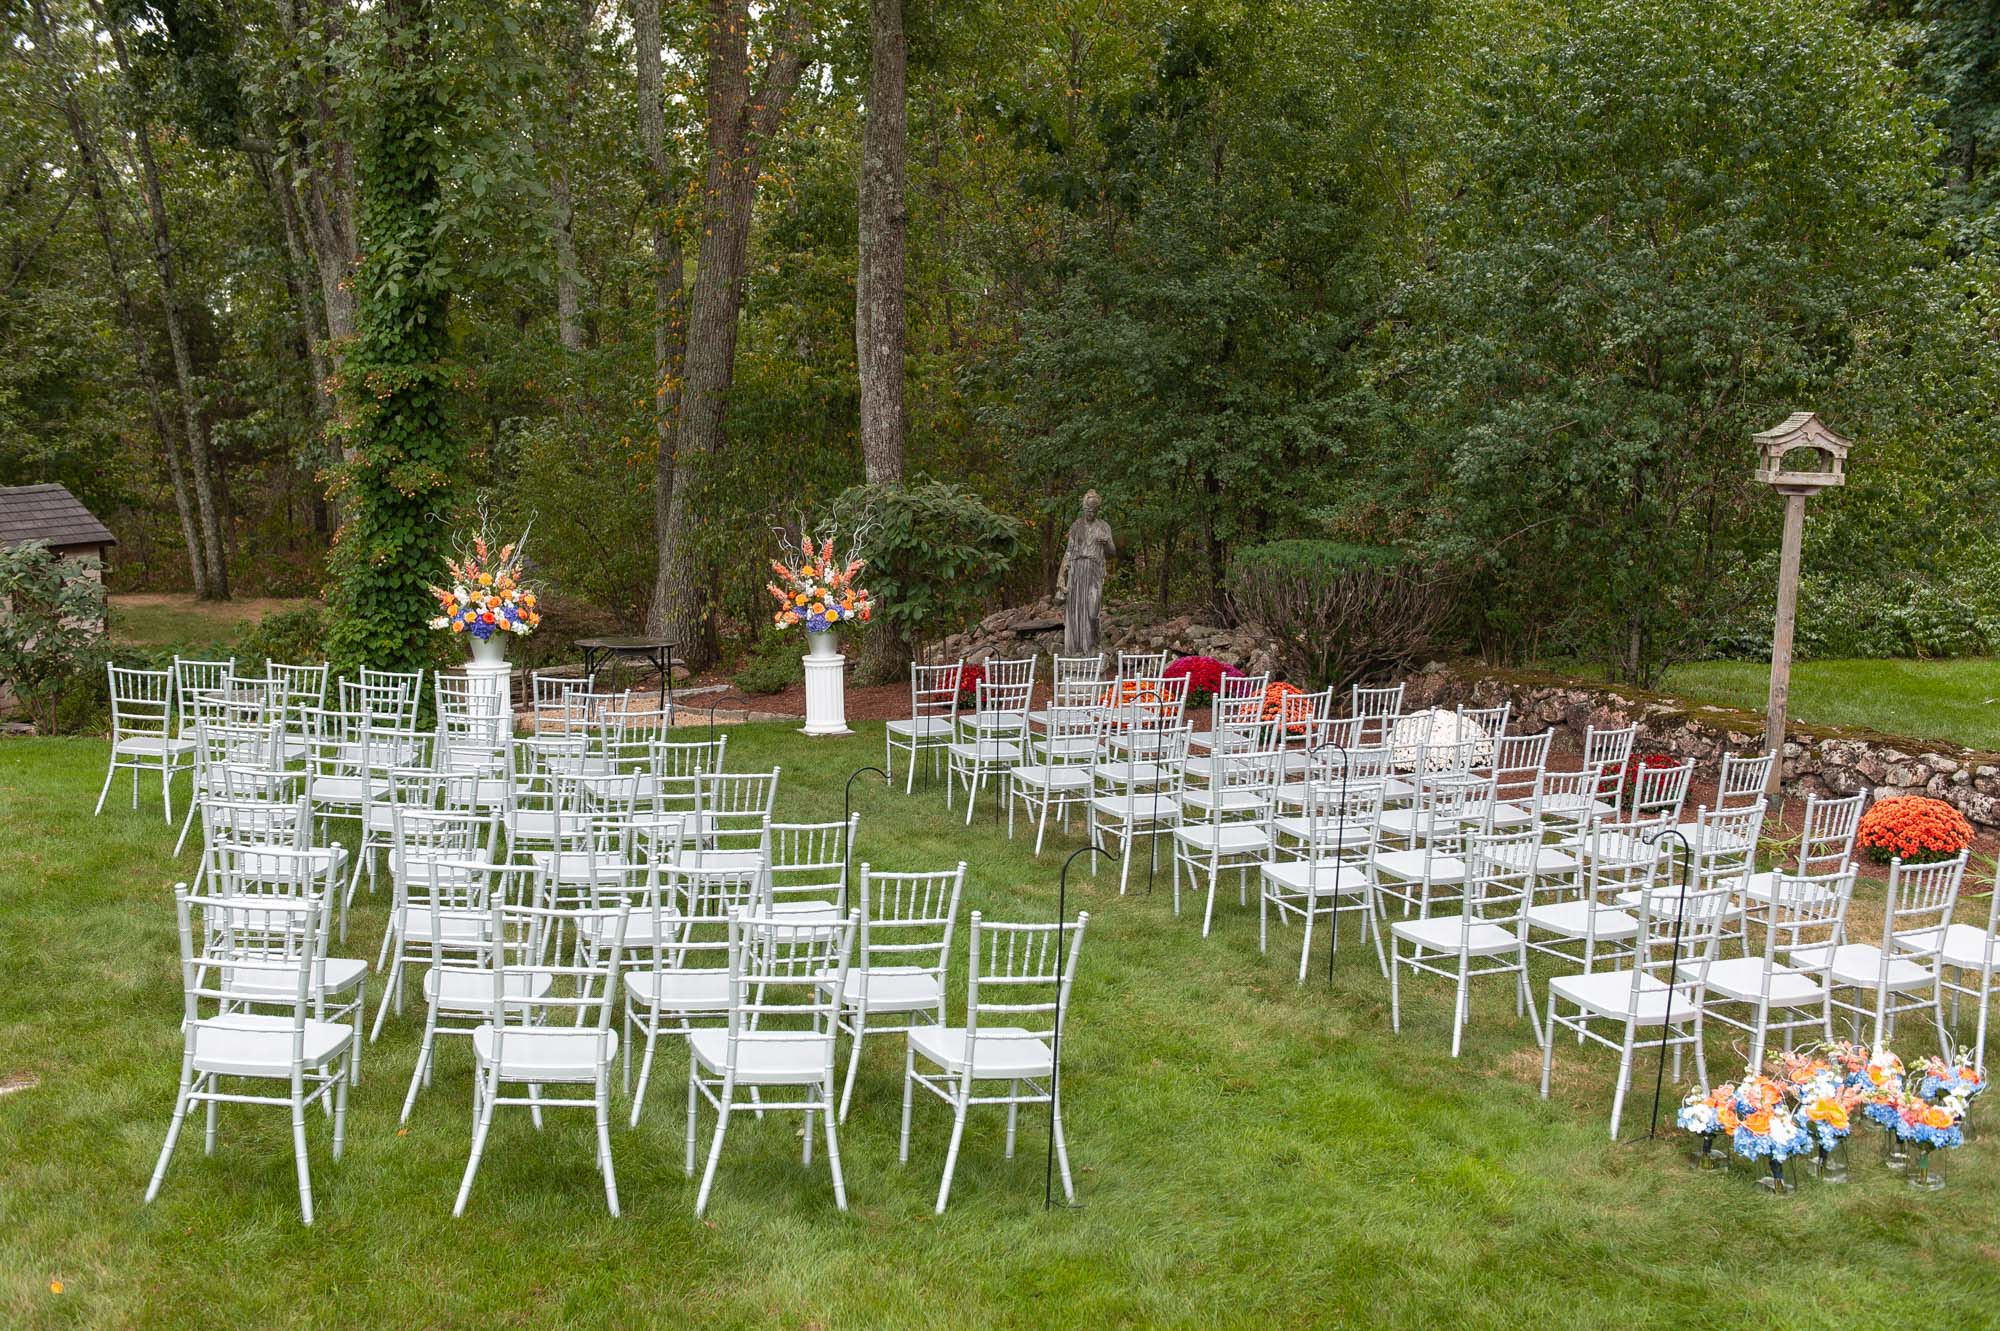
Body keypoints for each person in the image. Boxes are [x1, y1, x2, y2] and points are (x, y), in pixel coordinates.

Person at [1056, 489, 1114, 657]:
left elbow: (1112, 552)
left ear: (1097, 510)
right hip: (1077, 571)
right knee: (1075, 613)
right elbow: (1068, 552)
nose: (1090, 513)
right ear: (1083, 508)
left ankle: (1093, 646)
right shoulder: (1076, 526)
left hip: (1094, 572)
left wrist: (1106, 543)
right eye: (1088, 510)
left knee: (1092, 612)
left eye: (1093, 510)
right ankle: (1077, 650)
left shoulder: (1104, 526)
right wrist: (1061, 577)